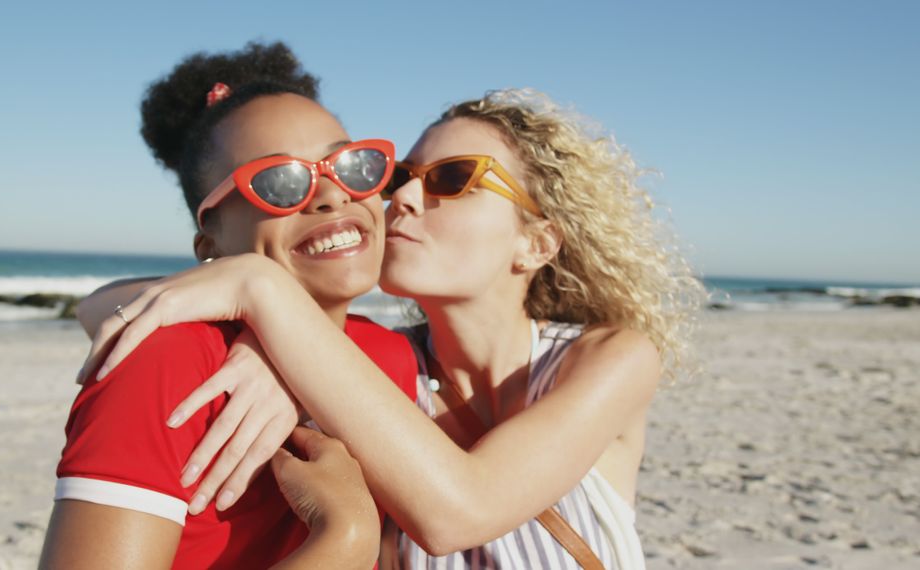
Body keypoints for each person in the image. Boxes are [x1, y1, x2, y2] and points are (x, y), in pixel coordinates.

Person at [79, 88, 704, 568]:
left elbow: (460, 511)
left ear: (536, 241)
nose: (402, 199)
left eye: (453, 180)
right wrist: (272, 335)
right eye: (401, 176)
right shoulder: (372, 365)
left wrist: (260, 288)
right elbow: (97, 306)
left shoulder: (606, 356)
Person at [39, 42, 420, 569]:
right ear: (210, 247)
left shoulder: (389, 356)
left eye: (351, 165)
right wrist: (343, 542)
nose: (331, 195)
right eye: (280, 182)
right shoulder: (164, 364)